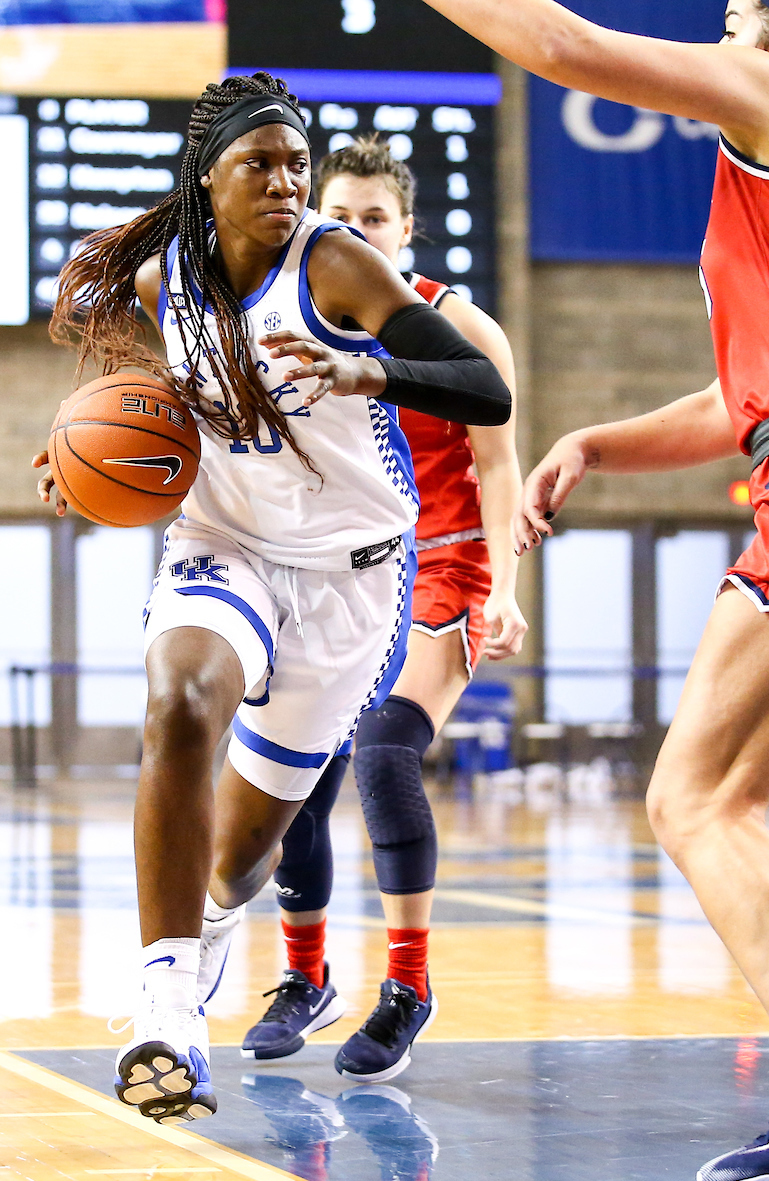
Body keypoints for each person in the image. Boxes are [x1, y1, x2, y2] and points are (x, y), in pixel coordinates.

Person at [34, 72, 511, 1124]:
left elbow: (488, 390)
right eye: (261, 163)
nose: (287, 181)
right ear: (209, 179)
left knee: (242, 858)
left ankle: (210, 927)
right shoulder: (165, 279)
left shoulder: (335, 265)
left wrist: (368, 374)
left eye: (297, 162)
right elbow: (146, 393)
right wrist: (82, 453)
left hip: (352, 578)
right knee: (178, 703)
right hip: (226, 545)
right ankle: (167, 1009)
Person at [421, 0, 769, 1181]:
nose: (718, 45)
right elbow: (739, 400)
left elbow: (566, 48)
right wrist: (591, 441)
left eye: (733, 23)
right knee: (719, 799)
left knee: (695, 800)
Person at [226, 137, 526, 1083]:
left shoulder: (459, 325)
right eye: (341, 217)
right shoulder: (285, 317)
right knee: (302, 774)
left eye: (375, 219)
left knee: (386, 752)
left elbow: (499, 465)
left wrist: (508, 588)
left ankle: (408, 985)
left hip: (445, 560)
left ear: (406, 231)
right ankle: (305, 977)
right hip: (342, 568)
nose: (355, 232)